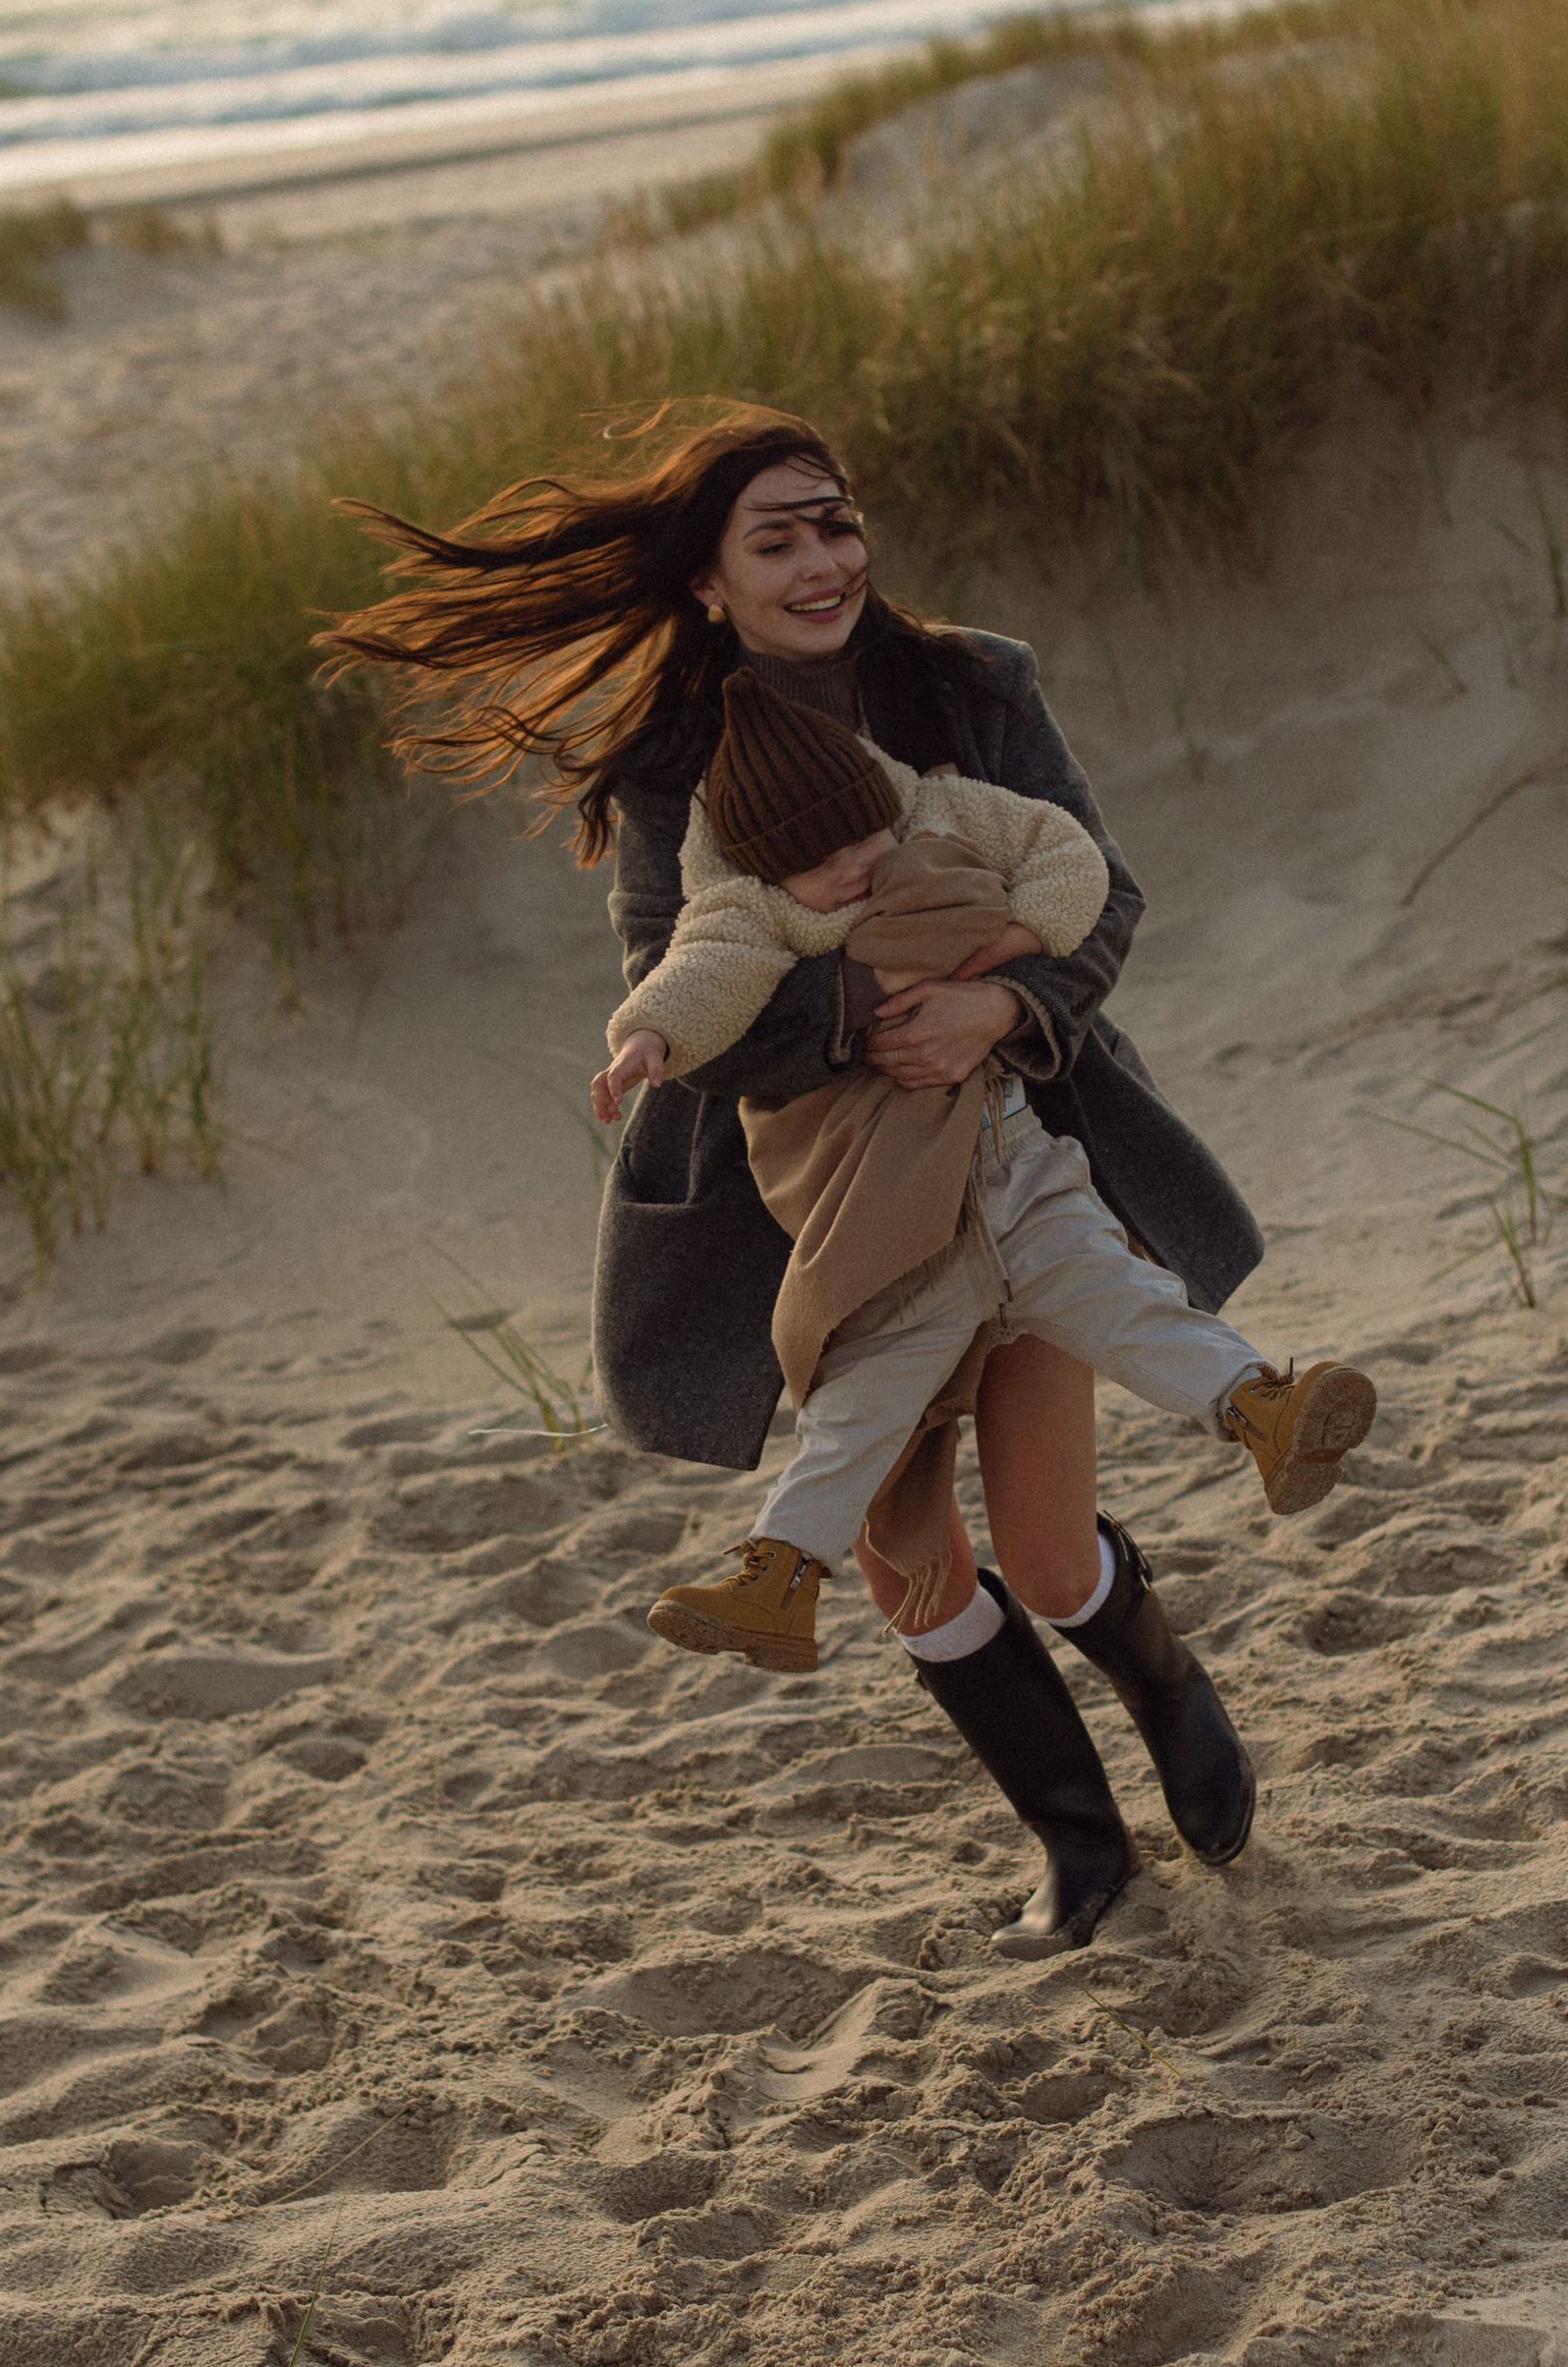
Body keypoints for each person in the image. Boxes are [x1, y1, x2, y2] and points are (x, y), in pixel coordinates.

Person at [319, 403, 1375, 1959]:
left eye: (838, 521)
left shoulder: (970, 683)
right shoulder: (680, 755)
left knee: (1045, 1540)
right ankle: (1081, 1847)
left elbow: (1100, 885)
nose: (824, 558)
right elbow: (676, 977)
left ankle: (1170, 1690)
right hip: (814, 1212)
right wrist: (876, 1017)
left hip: (1015, 1147)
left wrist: (999, 1010)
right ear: (708, 581)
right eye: (779, 536)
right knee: (901, 1560)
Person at [588, 669, 1374, 1669]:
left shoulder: (939, 810)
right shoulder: (753, 912)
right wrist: (646, 1039)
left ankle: (1266, 1409)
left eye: (864, 836)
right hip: (894, 1220)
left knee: (1124, 1297)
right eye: (823, 864)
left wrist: (1009, 953)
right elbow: (702, 976)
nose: (858, 867)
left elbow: (1069, 857)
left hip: (1015, 1169)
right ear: (766, 872)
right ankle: (776, 1576)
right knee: (858, 1401)